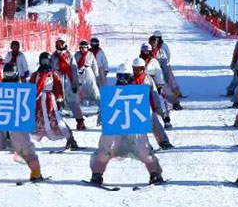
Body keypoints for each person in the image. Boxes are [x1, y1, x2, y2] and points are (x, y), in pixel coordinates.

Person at [89, 59, 165, 187]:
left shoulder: (138, 93)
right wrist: (102, 117)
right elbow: (106, 108)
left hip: (134, 129)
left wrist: (159, 135)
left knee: (144, 149)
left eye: (125, 77)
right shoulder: (113, 93)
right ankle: (97, 174)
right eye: (120, 77)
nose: (123, 80)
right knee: (105, 148)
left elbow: (147, 113)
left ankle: (155, 173)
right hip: (116, 129)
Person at [0, 63, 44, 182]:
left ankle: (36, 172)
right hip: (4, 123)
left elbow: (29, 106)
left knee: (25, 148)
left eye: (11, 74)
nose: (9, 77)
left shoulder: (19, 89)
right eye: (7, 74)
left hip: (13, 123)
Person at [30, 51, 79, 150]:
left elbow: (58, 87)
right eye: (43, 61)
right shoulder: (36, 75)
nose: (45, 63)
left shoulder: (52, 74)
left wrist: (59, 99)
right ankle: (24, 141)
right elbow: (30, 87)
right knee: (35, 120)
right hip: (38, 99)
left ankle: (70, 138)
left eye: (46, 61)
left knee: (56, 119)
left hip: (49, 100)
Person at [130, 59, 174, 150]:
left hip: (147, 107)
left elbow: (154, 95)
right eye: (135, 69)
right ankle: (144, 145)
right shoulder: (130, 80)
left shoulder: (148, 79)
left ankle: (164, 141)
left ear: (143, 69)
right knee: (139, 128)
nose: (137, 71)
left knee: (155, 123)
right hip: (134, 108)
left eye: (139, 69)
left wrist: (161, 112)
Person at [53, 37, 85, 130]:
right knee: (56, 101)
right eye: (58, 43)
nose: (60, 45)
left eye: (62, 43)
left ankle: (80, 121)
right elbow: (50, 68)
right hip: (57, 79)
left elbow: (74, 70)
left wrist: (75, 83)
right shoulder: (54, 56)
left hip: (68, 79)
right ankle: (56, 123)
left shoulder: (69, 55)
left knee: (72, 101)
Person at [149, 32, 183, 108]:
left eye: (155, 42)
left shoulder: (162, 50)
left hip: (159, 71)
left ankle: (175, 99)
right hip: (149, 73)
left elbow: (167, 58)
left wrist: (166, 73)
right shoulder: (147, 51)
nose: (153, 44)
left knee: (168, 84)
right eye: (152, 42)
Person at [74, 40, 102, 108]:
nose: (83, 49)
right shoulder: (77, 54)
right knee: (80, 87)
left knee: (92, 86)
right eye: (82, 47)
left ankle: (99, 101)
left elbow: (94, 65)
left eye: (85, 47)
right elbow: (73, 64)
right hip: (79, 71)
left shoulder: (90, 54)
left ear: (87, 47)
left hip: (88, 70)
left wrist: (96, 75)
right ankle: (82, 102)